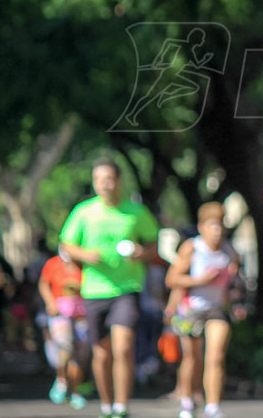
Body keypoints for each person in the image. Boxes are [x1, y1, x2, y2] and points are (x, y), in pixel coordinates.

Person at [60, 157, 160, 418]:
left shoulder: (136, 212)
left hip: (127, 288)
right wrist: (84, 254)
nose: (103, 185)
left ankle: (121, 406)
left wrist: (142, 252)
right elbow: (66, 245)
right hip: (94, 291)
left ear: (118, 181)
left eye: (108, 179)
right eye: (98, 180)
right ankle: (106, 403)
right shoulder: (83, 212)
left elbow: (154, 245)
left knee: (123, 347)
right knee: (102, 354)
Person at [166, 202, 240, 418]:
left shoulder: (229, 251)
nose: (217, 232)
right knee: (192, 358)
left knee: (216, 356)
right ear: (201, 227)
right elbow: (171, 279)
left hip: (217, 309)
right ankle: (188, 401)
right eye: (212, 226)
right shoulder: (192, 248)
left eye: (220, 226)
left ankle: (213, 407)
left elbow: (233, 285)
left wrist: (231, 282)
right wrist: (200, 279)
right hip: (191, 310)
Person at [39, 248, 91, 409]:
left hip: (82, 314)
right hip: (60, 313)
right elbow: (43, 284)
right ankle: (61, 380)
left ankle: (75, 391)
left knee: (80, 355)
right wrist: (50, 303)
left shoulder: (86, 264)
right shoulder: (53, 264)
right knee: (64, 348)